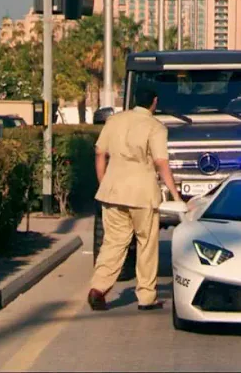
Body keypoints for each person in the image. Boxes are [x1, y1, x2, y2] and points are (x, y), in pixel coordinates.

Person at [88, 83, 183, 311]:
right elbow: (161, 163)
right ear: (154, 102)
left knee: (113, 242)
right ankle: (146, 297)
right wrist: (175, 194)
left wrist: (104, 182)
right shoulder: (155, 127)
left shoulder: (114, 121)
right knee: (146, 244)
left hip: (113, 190)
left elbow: (100, 153)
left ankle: (98, 288)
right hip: (142, 193)